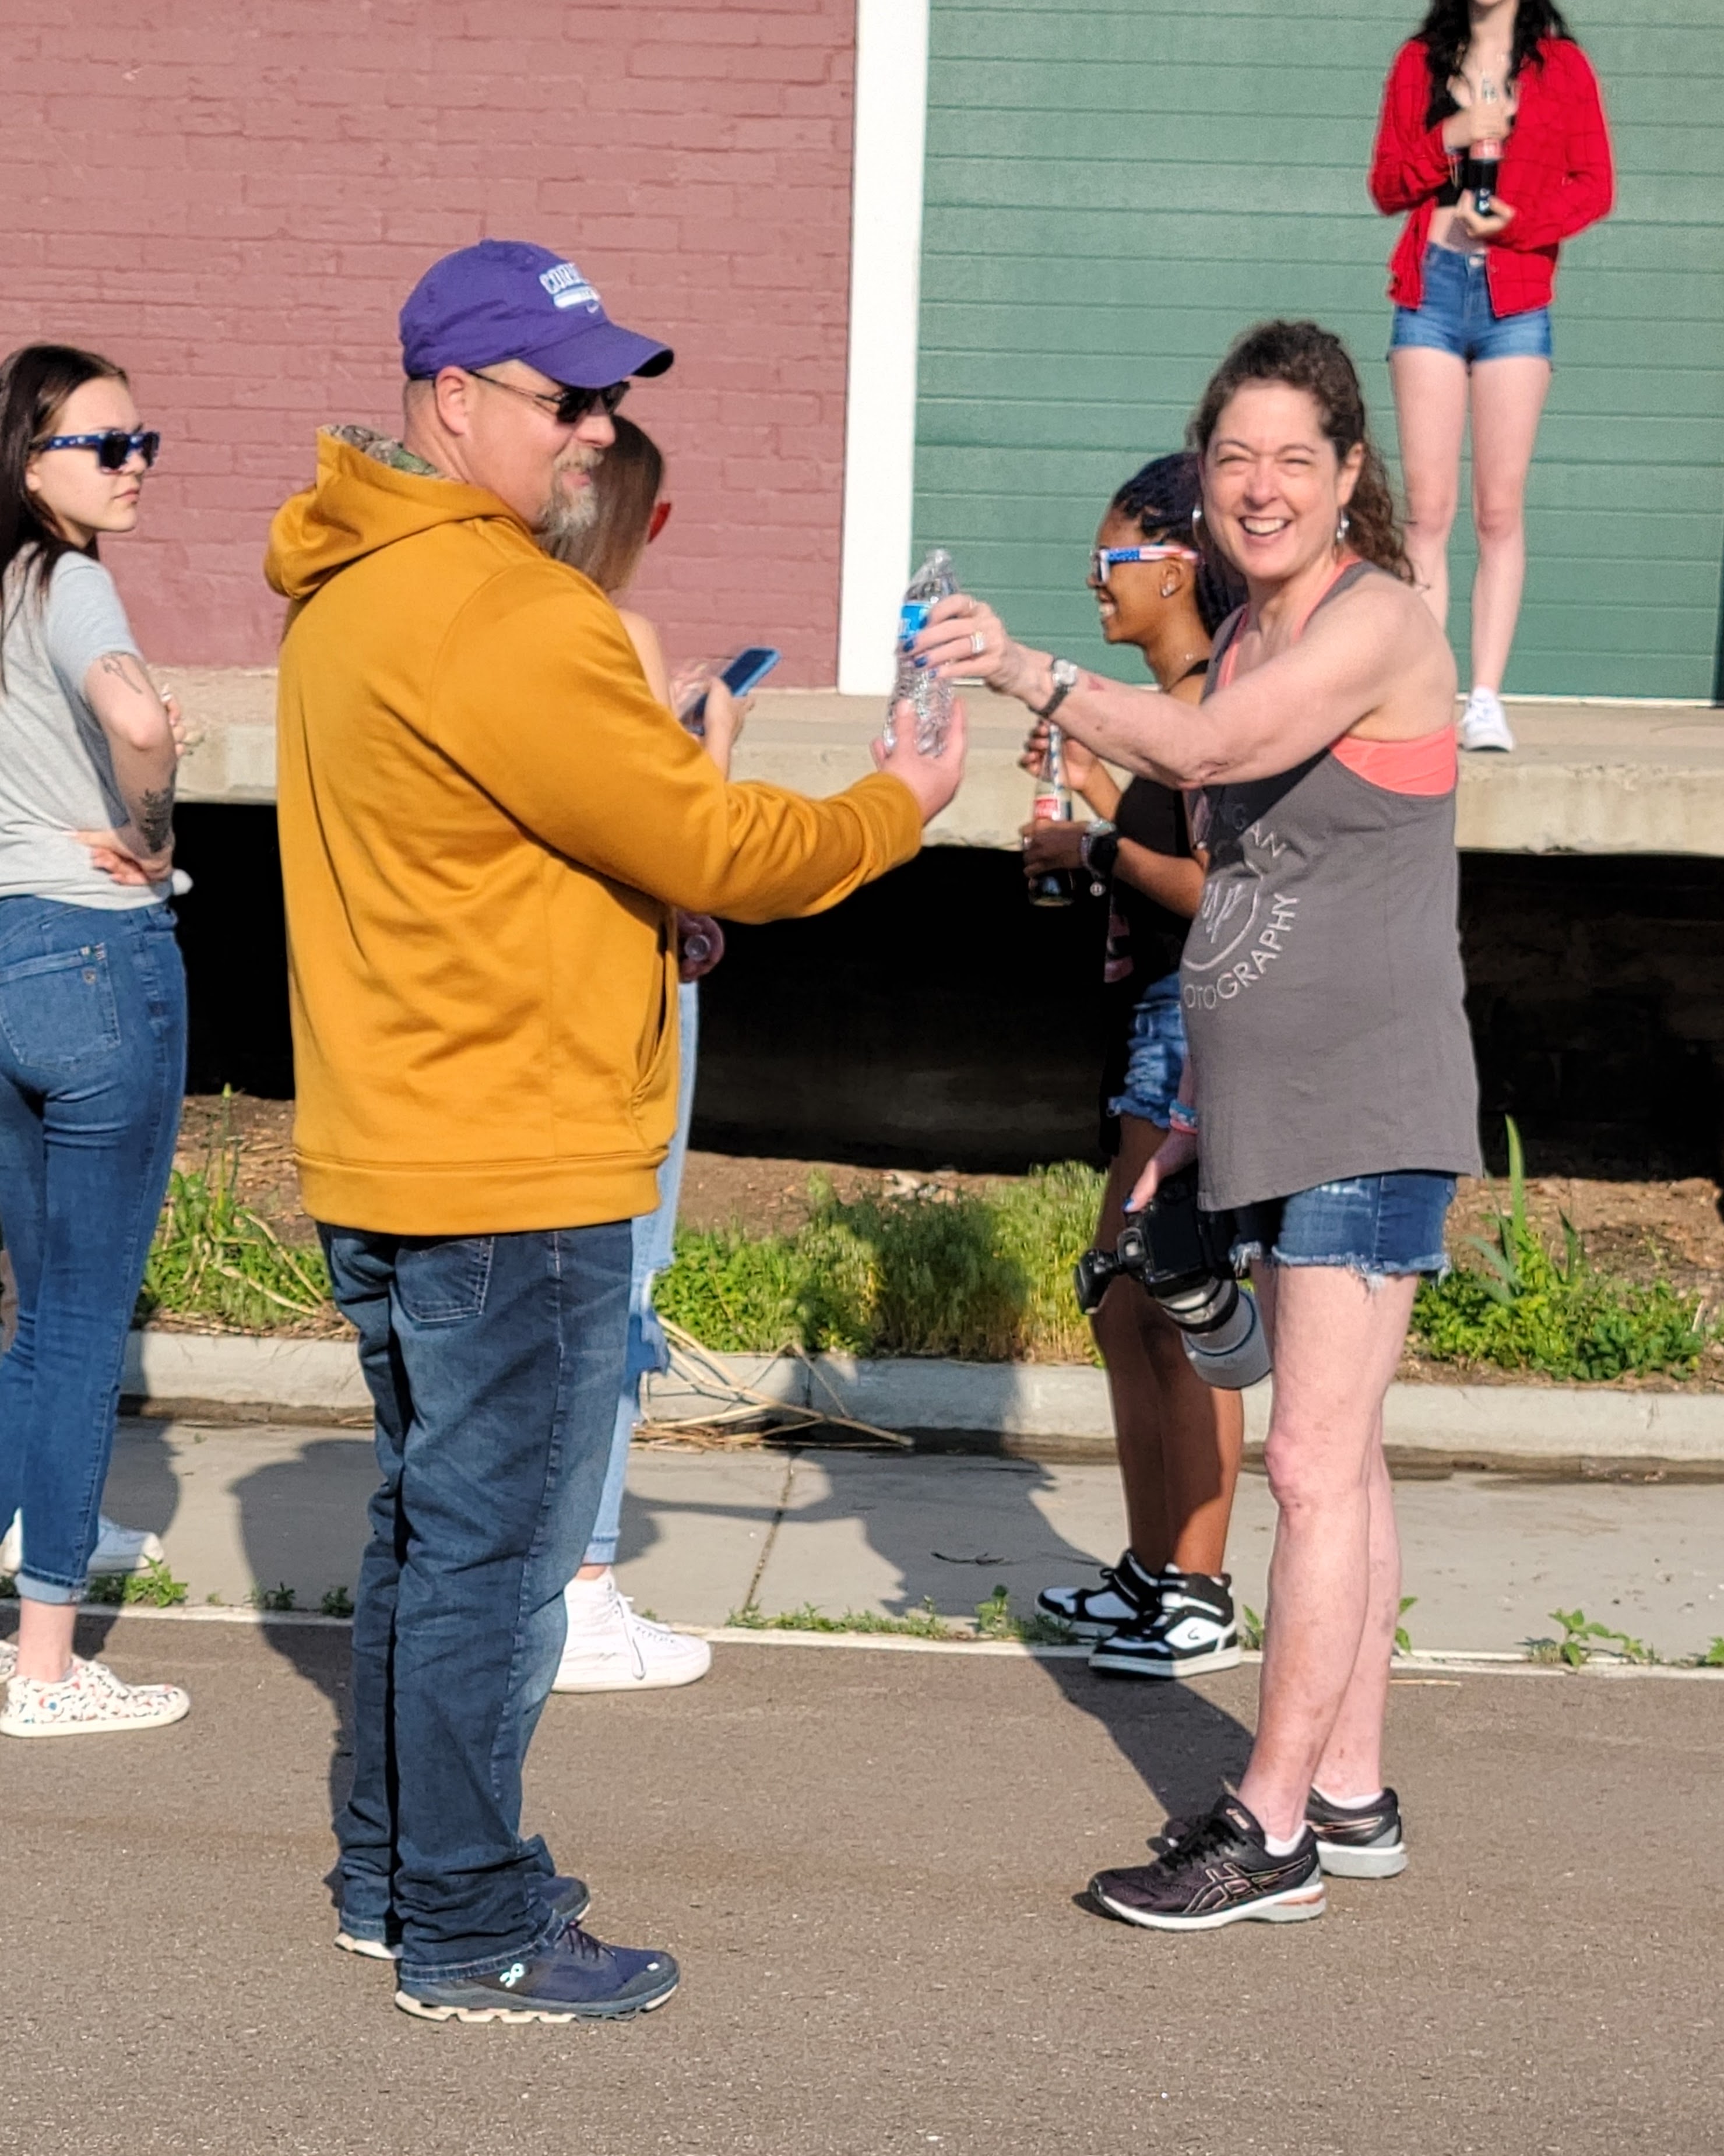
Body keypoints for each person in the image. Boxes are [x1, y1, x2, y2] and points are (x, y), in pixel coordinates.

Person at [264, 238, 963, 2021]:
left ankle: (395, 1881)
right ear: (453, 397)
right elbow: (724, 845)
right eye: (564, 398)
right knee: (492, 1566)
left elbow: (507, 856)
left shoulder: (344, 593)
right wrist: (902, 798)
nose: (595, 432)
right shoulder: (505, 608)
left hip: (397, 1138)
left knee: (430, 1538)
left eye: (608, 399)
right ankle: (472, 1924)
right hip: (519, 1157)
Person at [916, 319, 1479, 1929]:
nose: (1258, 484)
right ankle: (1351, 1787)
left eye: (1293, 456)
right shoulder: (1240, 633)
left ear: (1348, 475)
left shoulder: (1373, 623)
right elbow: (1243, 887)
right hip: (1258, 1097)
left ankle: (1270, 1827)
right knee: (1339, 1460)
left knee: (1301, 1454)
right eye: (1231, 455)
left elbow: (1216, 755)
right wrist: (1181, 1113)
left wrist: (1028, 668)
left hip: (1368, 1101)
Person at [1026, 453, 1249, 1679]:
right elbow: (1152, 843)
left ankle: (1202, 1586)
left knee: (1177, 1307)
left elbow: (1218, 892)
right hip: (1150, 1018)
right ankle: (1153, 1565)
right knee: (1123, 1304)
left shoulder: (1224, 704)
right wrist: (1093, 806)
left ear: (1175, 564)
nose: (1093, 583)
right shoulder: (1169, 713)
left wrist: (1096, 845)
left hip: (1194, 1021)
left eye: (1111, 561)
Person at [0, 343, 191, 1736]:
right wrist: (153, 823)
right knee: (76, 1322)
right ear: (30, 462)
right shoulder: (70, 582)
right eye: (102, 444)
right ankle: (49, 1666)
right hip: (93, 957)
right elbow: (131, 711)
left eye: (142, 442)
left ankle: (36, 1536)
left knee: (28, 1316)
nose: (131, 466)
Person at [544, 416, 740, 1693]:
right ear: (641, 522)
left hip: (539, 1005)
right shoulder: (621, 635)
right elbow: (688, 847)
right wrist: (710, 743)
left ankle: (548, 1577)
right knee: (621, 1290)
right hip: (633, 1006)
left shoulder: (508, 624)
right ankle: (588, 1583)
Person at [1371, 0, 1613, 752]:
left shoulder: (1561, 67)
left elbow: (1594, 185)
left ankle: (1484, 699)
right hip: (1432, 293)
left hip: (1515, 301)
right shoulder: (1419, 61)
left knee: (1499, 511)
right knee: (1429, 513)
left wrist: (1520, 223)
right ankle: (1423, 695)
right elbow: (1385, 185)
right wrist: (1449, 137)